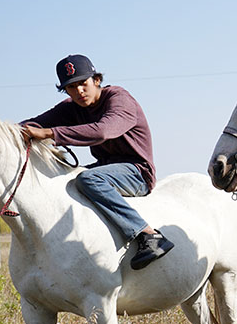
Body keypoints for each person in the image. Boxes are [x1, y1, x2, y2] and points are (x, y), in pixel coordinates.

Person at [20, 54, 174, 270]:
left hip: (136, 172)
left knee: (87, 179)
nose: (79, 92)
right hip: (106, 167)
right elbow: (31, 124)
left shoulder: (119, 99)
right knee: (63, 180)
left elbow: (103, 131)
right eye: (71, 88)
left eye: (83, 84)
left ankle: (149, 235)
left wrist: (48, 133)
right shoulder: (71, 108)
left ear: (96, 80)